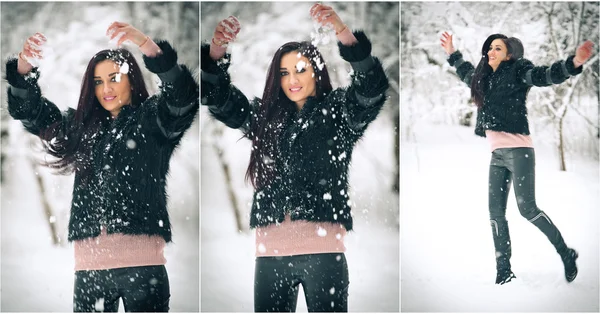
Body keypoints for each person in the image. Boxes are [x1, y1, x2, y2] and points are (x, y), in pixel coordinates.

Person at [201, 3, 389, 312]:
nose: (293, 79)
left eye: (300, 69)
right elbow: (219, 101)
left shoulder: (339, 113)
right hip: (270, 255)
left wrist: (342, 31)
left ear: (317, 71)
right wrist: (218, 51)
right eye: (285, 72)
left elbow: (372, 88)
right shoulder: (264, 117)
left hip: (324, 253)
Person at [5, 22, 199, 312]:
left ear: (131, 79)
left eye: (114, 78)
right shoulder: (81, 128)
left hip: (143, 269)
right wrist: (23, 73)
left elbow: (182, 97)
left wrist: (148, 47)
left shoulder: (155, 122)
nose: (106, 88)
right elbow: (33, 115)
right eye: (98, 81)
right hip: (90, 271)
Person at [440, 31, 594, 285]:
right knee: (495, 214)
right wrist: (452, 53)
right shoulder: (483, 78)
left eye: (497, 48)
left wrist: (573, 64)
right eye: (489, 48)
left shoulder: (519, 70)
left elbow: (543, 75)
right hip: (497, 155)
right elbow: (465, 71)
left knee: (528, 209)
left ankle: (565, 253)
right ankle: (504, 270)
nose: (491, 51)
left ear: (509, 53)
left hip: (520, 152)